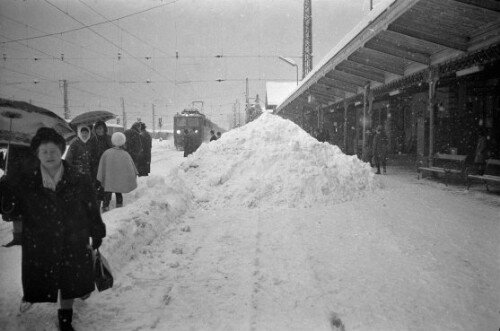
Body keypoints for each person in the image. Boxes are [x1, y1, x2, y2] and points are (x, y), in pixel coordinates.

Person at [0, 127, 106, 331]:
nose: (49, 155)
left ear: (61, 151)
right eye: (44, 151)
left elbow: (91, 207)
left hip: (73, 236)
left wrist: (97, 231)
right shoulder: (26, 181)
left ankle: (65, 319)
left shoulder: (79, 178)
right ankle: (34, 296)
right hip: (41, 239)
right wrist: (5, 191)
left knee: (69, 281)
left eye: (53, 151)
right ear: (37, 154)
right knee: (46, 277)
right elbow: (13, 209)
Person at [0, 145, 38, 247]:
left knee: (28, 211)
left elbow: (35, 164)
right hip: (14, 184)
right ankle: (18, 238)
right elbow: (6, 165)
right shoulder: (12, 145)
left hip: (27, 184)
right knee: (15, 212)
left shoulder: (32, 146)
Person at [97, 132, 138, 212]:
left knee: (107, 193)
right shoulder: (125, 154)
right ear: (123, 141)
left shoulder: (107, 153)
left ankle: (105, 208)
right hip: (119, 180)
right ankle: (119, 208)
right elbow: (130, 168)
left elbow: (102, 166)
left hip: (109, 179)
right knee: (118, 193)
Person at [89, 121, 112, 207]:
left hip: (107, 167)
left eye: (100, 128)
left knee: (107, 187)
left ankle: (106, 205)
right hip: (96, 168)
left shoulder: (108, 138)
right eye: (97, 129)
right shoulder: (92, 140)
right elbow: (90, 153)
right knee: (96, 187)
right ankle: (97, 205)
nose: (99, 130)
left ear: (104, 129)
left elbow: (112, 151)